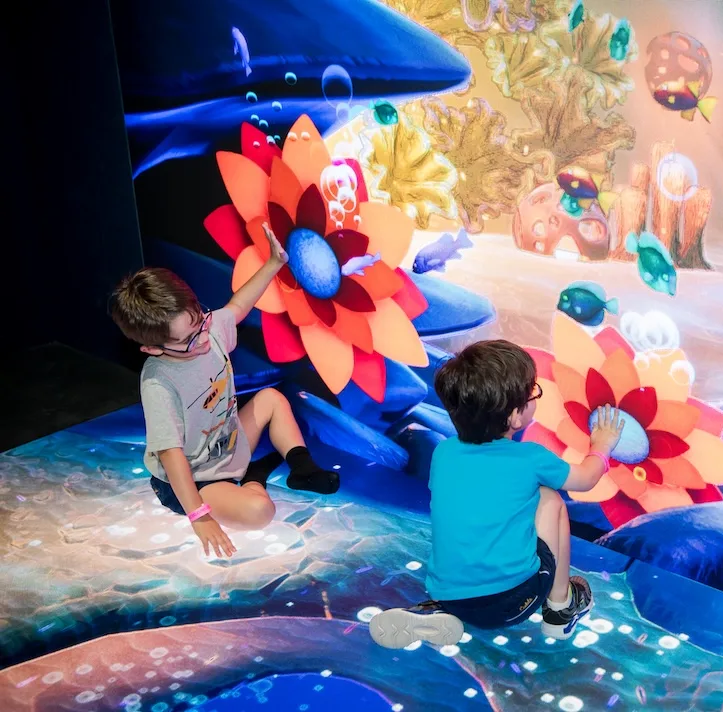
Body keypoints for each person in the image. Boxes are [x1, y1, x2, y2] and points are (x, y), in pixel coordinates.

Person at [370, 340, 623, 649]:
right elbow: (585, 479)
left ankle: (437, 612)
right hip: (514, 601)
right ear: (515, 418)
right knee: (550, 499)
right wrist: (603, 445)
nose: (535, 398)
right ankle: (561, 607)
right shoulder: (530, 458)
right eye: (533, 394)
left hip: (450, 594)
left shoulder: (445, 453)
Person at [108, 223, 340, 559]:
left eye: (200, 320)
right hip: (193, 478)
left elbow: (238, 305)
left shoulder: (205, 328)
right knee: (260, 512)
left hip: (227, 447)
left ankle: (302, 468)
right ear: (153, 349)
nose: (204, 337)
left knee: (271, 399)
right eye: (186, 340)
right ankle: (255, 475)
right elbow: (172, 456)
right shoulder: (159, 382)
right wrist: (199, 517)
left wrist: (275, 263)